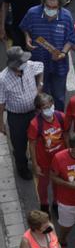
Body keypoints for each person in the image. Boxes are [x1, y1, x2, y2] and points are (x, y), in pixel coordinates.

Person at [0, 47, 45, 182]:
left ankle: (37, 161)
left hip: (33, 113)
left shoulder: (30, 66)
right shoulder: (3, 79)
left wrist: (39, 86)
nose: (25, 64)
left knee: (38, 140)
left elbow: (41, 67)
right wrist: (1, 123)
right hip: (16, 117)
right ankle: (22, 168)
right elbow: (1, 102)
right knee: (19, 146)